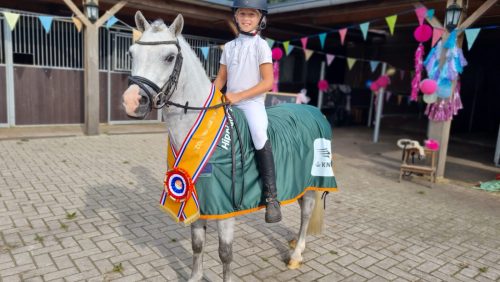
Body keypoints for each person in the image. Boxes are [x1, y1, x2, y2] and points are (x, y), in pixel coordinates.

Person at [214, 0, 281, 223]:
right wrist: (210, 99)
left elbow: (268, 82)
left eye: (251, 15)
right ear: (236, 16)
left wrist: (239, 96)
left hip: (251, 104)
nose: (246, 18)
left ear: (260, 18)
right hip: (229, 102)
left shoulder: (262, 46)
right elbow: (221, 79)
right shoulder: (229, 47)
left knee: (259, 134)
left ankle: (272, 197)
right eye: (242, 14)